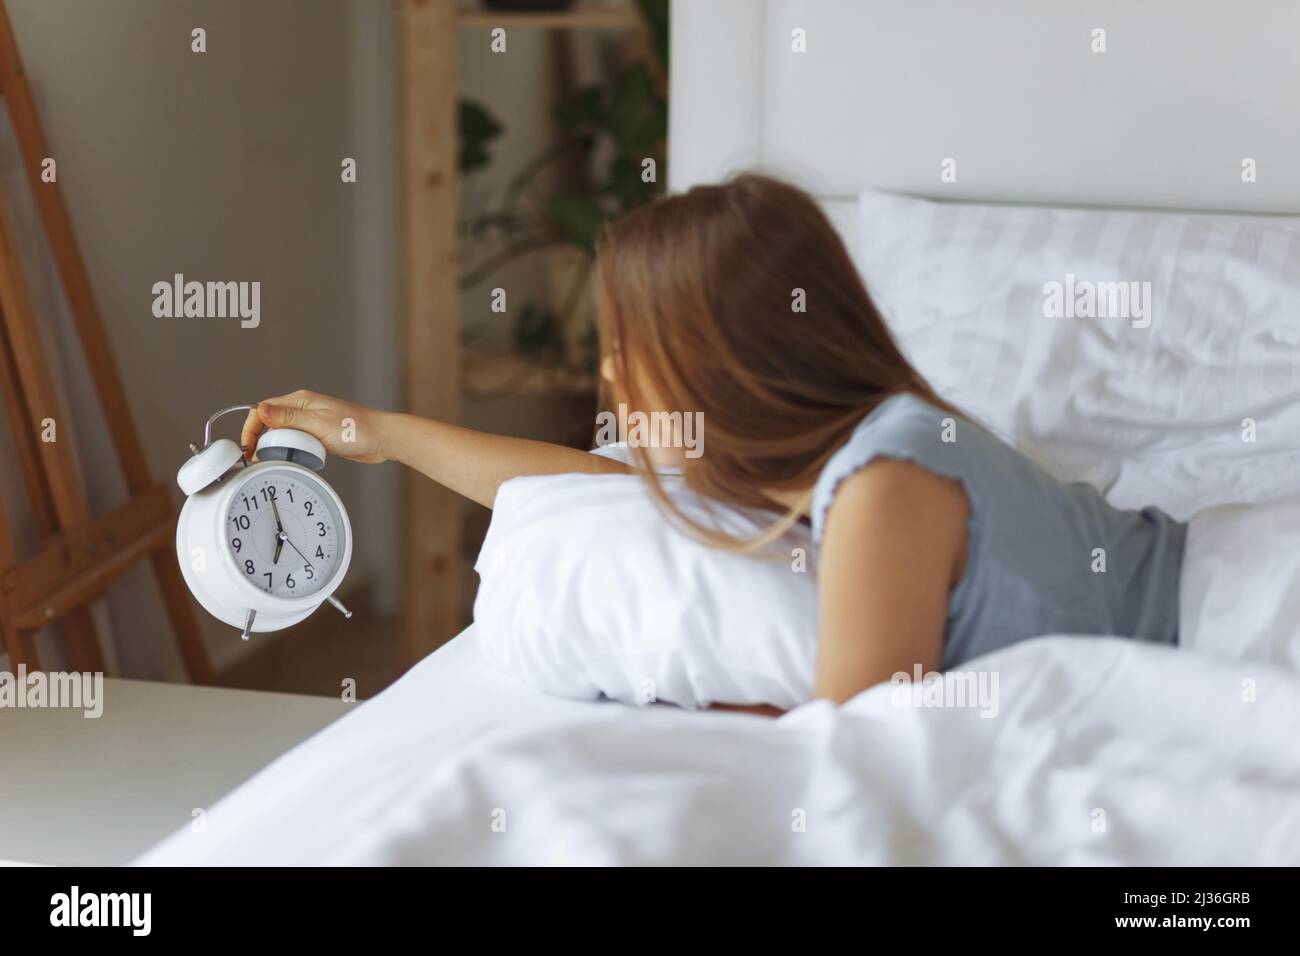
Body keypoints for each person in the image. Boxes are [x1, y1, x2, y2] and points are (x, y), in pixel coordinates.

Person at [242, 174, 1186, 710]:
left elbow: (864, 747)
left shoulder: (887, 481)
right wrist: (383, 434)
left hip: (1223, 626)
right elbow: (589, 482)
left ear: (717, 363)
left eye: (623, 351)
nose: (610, 379)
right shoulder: (844, 442)